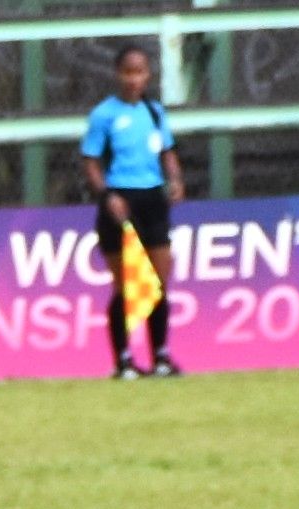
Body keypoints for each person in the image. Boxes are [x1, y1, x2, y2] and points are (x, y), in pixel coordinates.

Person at [77, 47, 179, 378]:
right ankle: (123, 359)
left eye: (140, 72)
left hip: (152, 199)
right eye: (128, 72)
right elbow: (91, 160)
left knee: (158, 283)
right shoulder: (105, 115)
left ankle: (161, 356)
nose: (134, 79)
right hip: (121, 200)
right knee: (127, 285)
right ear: (118, 74)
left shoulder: (154, 112)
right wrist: (107, 194)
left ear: (148, 75)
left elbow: (167, 151)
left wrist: (174, 179)